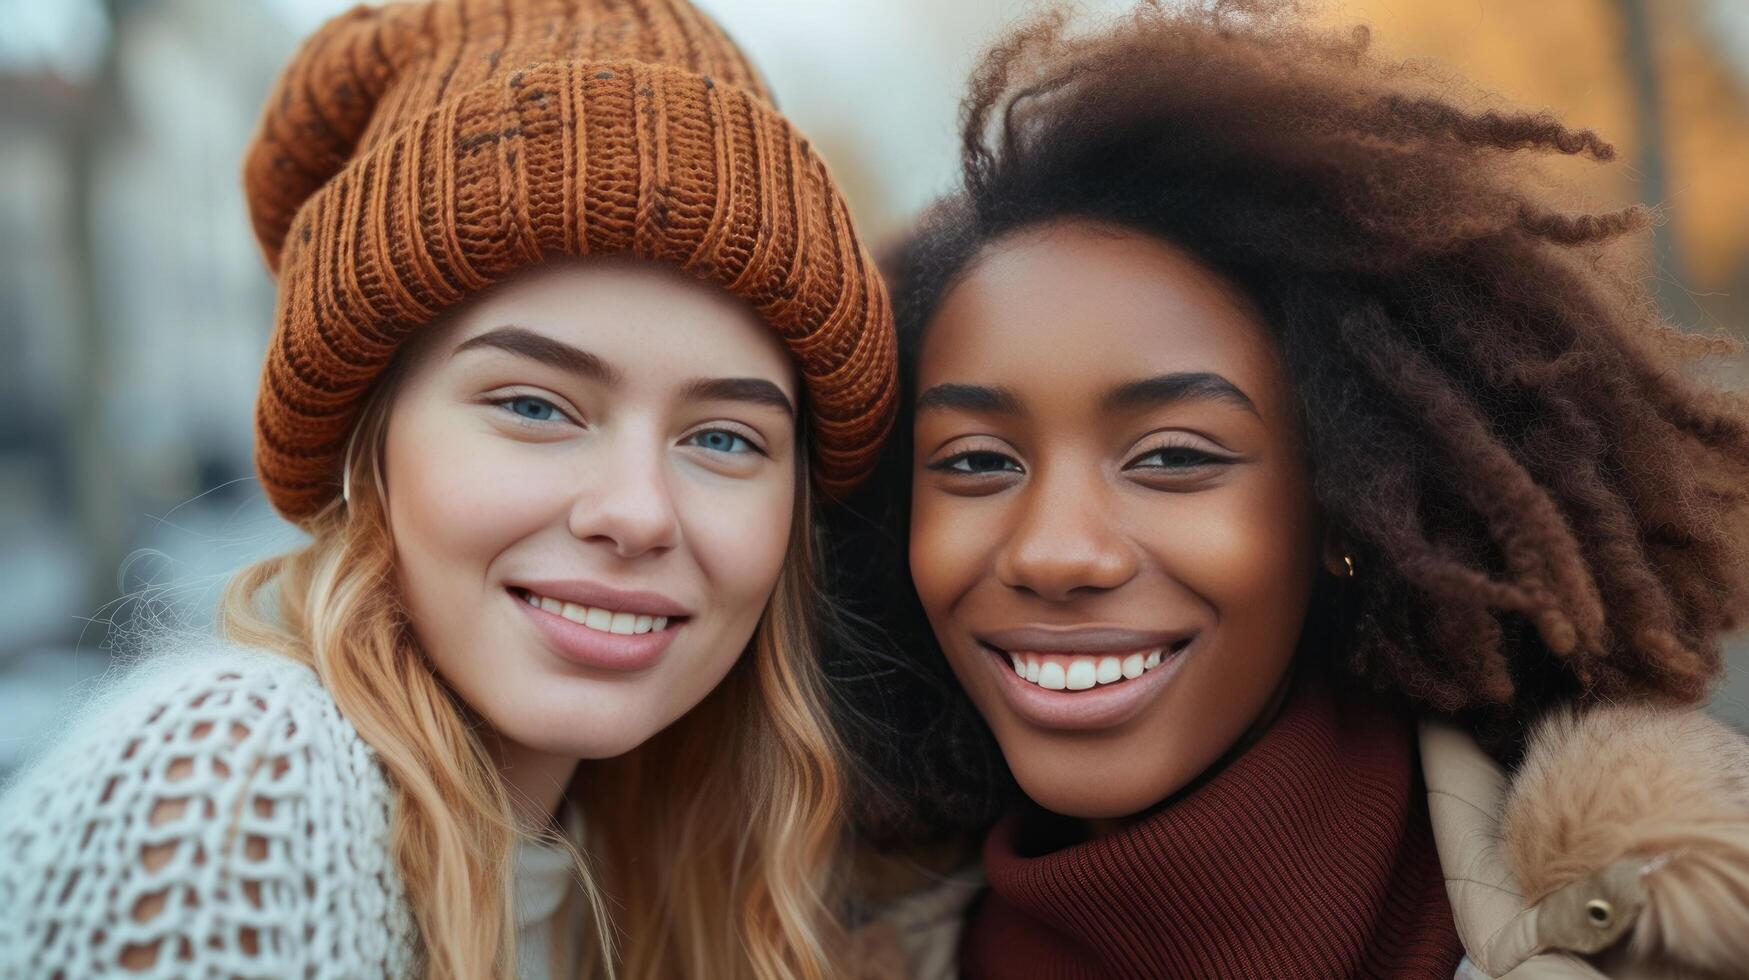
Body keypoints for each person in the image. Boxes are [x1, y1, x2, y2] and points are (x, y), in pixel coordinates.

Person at [831, 3, 1749, 977]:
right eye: (977, 461)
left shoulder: (1668, 931)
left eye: (1174, 456)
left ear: (1348, 504)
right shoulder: (789, 944)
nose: (1054, 550)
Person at [0, 1, 895, 977]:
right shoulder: (235, 787)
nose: (637, 511)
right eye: (537, 407)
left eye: (723, 436)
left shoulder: (668, 857)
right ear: (368, 439)